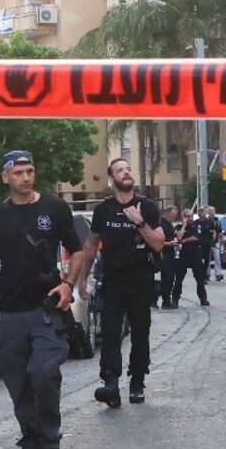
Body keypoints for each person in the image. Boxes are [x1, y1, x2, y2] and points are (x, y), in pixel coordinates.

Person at [0, 151, 82, 449]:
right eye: (18, 173)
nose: (26, 177)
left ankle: (51, 446)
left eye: (30, 171)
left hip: (46, 308)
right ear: (6, 177)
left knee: (44, 374)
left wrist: (68, 283)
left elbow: (78, 250)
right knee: (18, 383)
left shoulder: (55, 208)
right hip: (10, 311)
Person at [77, 158, 165, 408]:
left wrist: (140, 222)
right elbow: (91, 245)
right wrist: (83, 278)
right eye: (120, 170)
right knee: (110, 333)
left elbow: (158, 243)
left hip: (140, 281)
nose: (126, 173)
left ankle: (137, 380)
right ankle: (111, 383)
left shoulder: (147, 207)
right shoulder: (103, 210)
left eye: (128, 169)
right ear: (111, 179)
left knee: (140, 334)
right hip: (113, 282)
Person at [173, 209, 209, 307]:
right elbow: (178, 237)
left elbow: (196, 237)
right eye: (188, 216)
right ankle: (175, 299)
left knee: (200, 279)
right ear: (183, 217)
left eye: (191, 216)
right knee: (179, 278)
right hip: (184, 254)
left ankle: (203, 299)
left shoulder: (196, 225)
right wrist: (184, 225)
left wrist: (184, 241)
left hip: (196, 254)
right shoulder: (179, 227)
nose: (190, 218)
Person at [158, 205, 179, 308]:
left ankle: (167, 299)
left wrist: (175, 240)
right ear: (166, 213)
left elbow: (173, 235)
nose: (173, 218)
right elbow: (157, 241)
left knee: (170, 277)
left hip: (171, 252)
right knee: (166, 277)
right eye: (172, 216)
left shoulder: (170, 225)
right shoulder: (160, 224)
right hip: (163, 253)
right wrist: (169, 243)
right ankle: (164, 300)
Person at [207, 206, 224, 281]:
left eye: (213, 211)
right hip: (207, 242)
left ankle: (218, 274)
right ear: (208, 212)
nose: (212, 213)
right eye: (211, 211)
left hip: (216, 242)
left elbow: (220, 231)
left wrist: (221, 240)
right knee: (207, 259)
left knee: (217, 258)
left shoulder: (217, 220)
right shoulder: (206, 221)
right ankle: (207, 274)